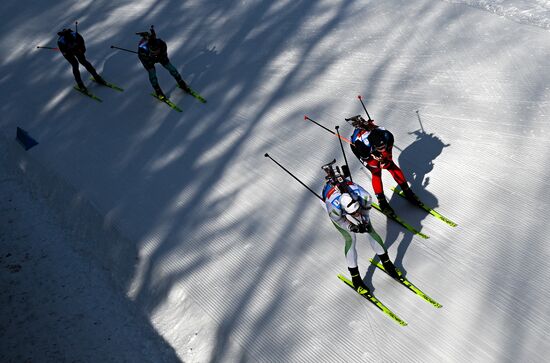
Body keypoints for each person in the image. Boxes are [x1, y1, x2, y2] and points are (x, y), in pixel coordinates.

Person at [321, 160, 400, 295]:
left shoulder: (364, 196)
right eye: (354, 213)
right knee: (350, 239)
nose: (357, 214)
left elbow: (365, 213)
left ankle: (387, 264)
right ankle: (356, 280)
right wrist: (352, 227)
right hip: (330, 201)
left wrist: (363, 221)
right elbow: (341, 222)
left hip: (350, 199)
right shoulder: (333, 209)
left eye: (357, 210)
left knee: (370, 230)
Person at [346, 115, 421, 215]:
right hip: (361, 150)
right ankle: (382, 202)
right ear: (374, 146)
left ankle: (407, 191)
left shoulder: (388, 136)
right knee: (376, 171)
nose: (383, 149)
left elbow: (387, 154)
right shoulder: (362, 145)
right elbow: (367, 155)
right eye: (380, 148)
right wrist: (375, 157)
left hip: (375, 143)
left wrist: (384, 159)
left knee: (390, 165)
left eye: (383, 146)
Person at [136, 26, 191, 100]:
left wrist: (160, 56)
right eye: (153, 51)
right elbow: (144, 59)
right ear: (149, 48)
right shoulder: (143, 50)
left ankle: (181, 82)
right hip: (147, 59)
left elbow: (164, 53)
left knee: (171, 68)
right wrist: (150, 58)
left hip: (160, 56)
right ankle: (158, 91)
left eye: (157, 50)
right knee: (152, 73)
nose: (155, 52)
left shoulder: (162, 44)